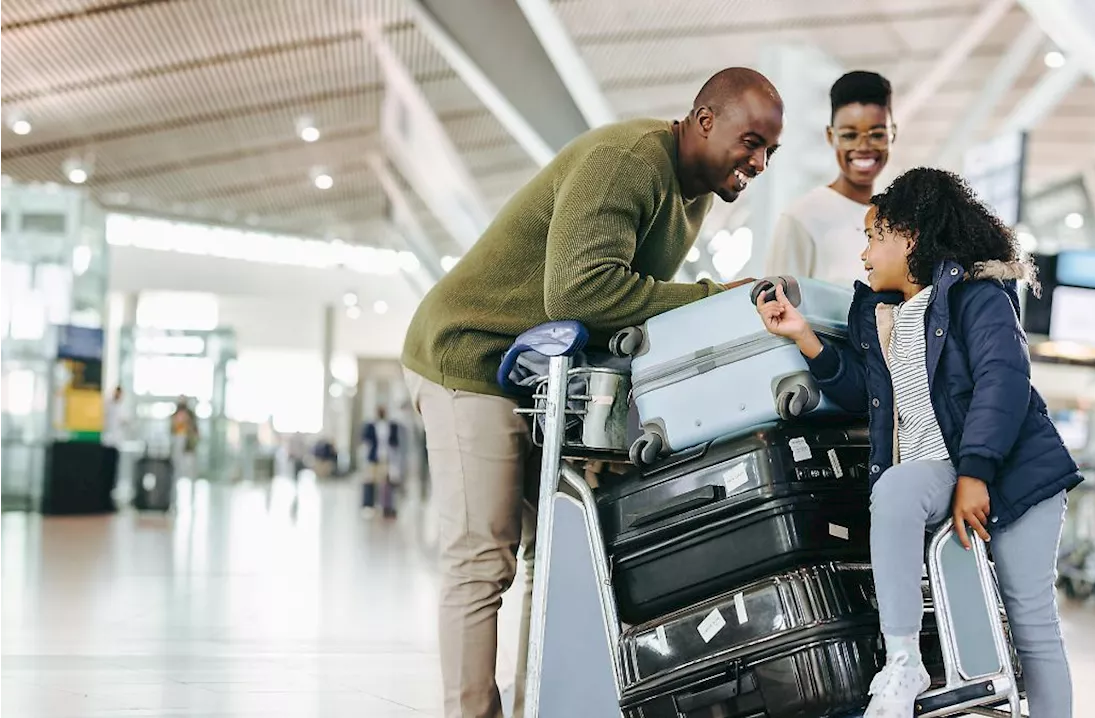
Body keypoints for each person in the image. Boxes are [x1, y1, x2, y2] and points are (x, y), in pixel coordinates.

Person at [401, 68, 785, 718]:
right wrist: (714, 298)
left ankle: (538, 706)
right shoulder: (629, 161)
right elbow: (580, 293)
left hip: (536, 375)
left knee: (549, 558)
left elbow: (618, 310)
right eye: (751, 141)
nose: (759, 161)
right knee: (483, 557)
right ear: (704, 120)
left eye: (770, 151)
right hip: (470, 354)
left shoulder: (691, 194)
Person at [755, 168, 1080, 718]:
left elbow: (1004, 380)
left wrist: (976, 474)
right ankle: (903, 661)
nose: (864, 254)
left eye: (873, 237)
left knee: (1031, 621)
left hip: (1016, 475)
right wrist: (804, 336)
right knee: (898, 488)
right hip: (941, 468)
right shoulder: (881, 314)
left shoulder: (979, 296)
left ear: (909, 237)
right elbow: (865, 392)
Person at [765, 70, 895, 287]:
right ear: (830, 136)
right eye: (849, 135)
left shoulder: (900, 219)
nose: (863, 147)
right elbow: (774, 311)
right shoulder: (802, 219)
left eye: (877, 134)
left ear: (893, 134)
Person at [360, 406, 401, 518]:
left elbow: (395, 442)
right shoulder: (370, 426)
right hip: (373, 457)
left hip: (386, 458)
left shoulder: (392, 426)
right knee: (369, 481)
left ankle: (386, 507)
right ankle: (368, 506)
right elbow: (365, 441)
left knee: (386, 483)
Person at [169, 396, 198, 480]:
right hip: (177, 437)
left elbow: (194, 427)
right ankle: (176, 476)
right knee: (177, 458)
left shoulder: (190, 414)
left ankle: (190, 477)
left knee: (189, 460)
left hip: (187, 439)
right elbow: (172, 427)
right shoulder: (175, 414)